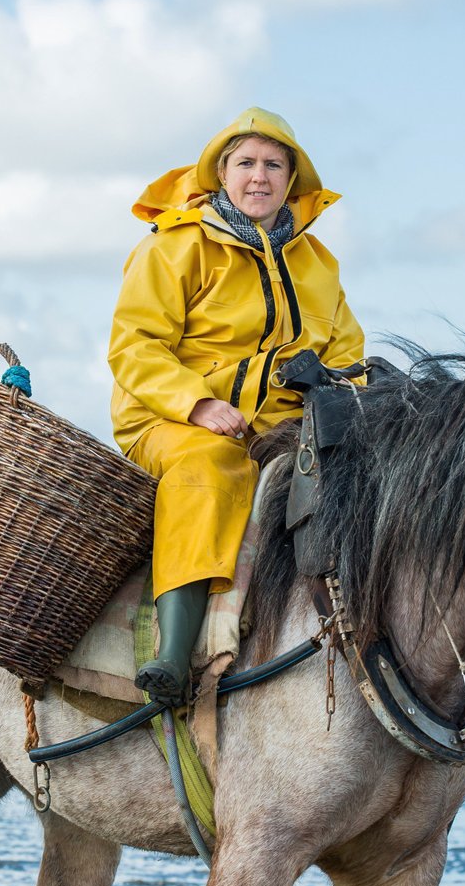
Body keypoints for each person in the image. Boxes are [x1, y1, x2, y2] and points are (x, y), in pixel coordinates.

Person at [108, 107, 364, 704]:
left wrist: (343, 386)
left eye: (274, 165)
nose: (259, 176)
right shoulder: (176, 247)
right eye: (245, 163)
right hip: (169, 418)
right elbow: (134, 346)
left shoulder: (318, 263)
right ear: (221, 174)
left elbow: (350, 351)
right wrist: (196, 404)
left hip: (277, 424)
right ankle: (172, 655)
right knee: (211, 465)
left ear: (292, 179)